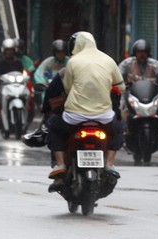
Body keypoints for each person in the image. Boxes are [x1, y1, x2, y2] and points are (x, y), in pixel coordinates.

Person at [46, 31, 125, 192]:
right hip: (104, 117)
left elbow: (68, 88)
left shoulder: (73, 62)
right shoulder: (108, 60)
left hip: (74, 116)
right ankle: (109, 163)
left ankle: (60, 164)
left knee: (53, 126)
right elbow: (120, 86)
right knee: (119, 128)